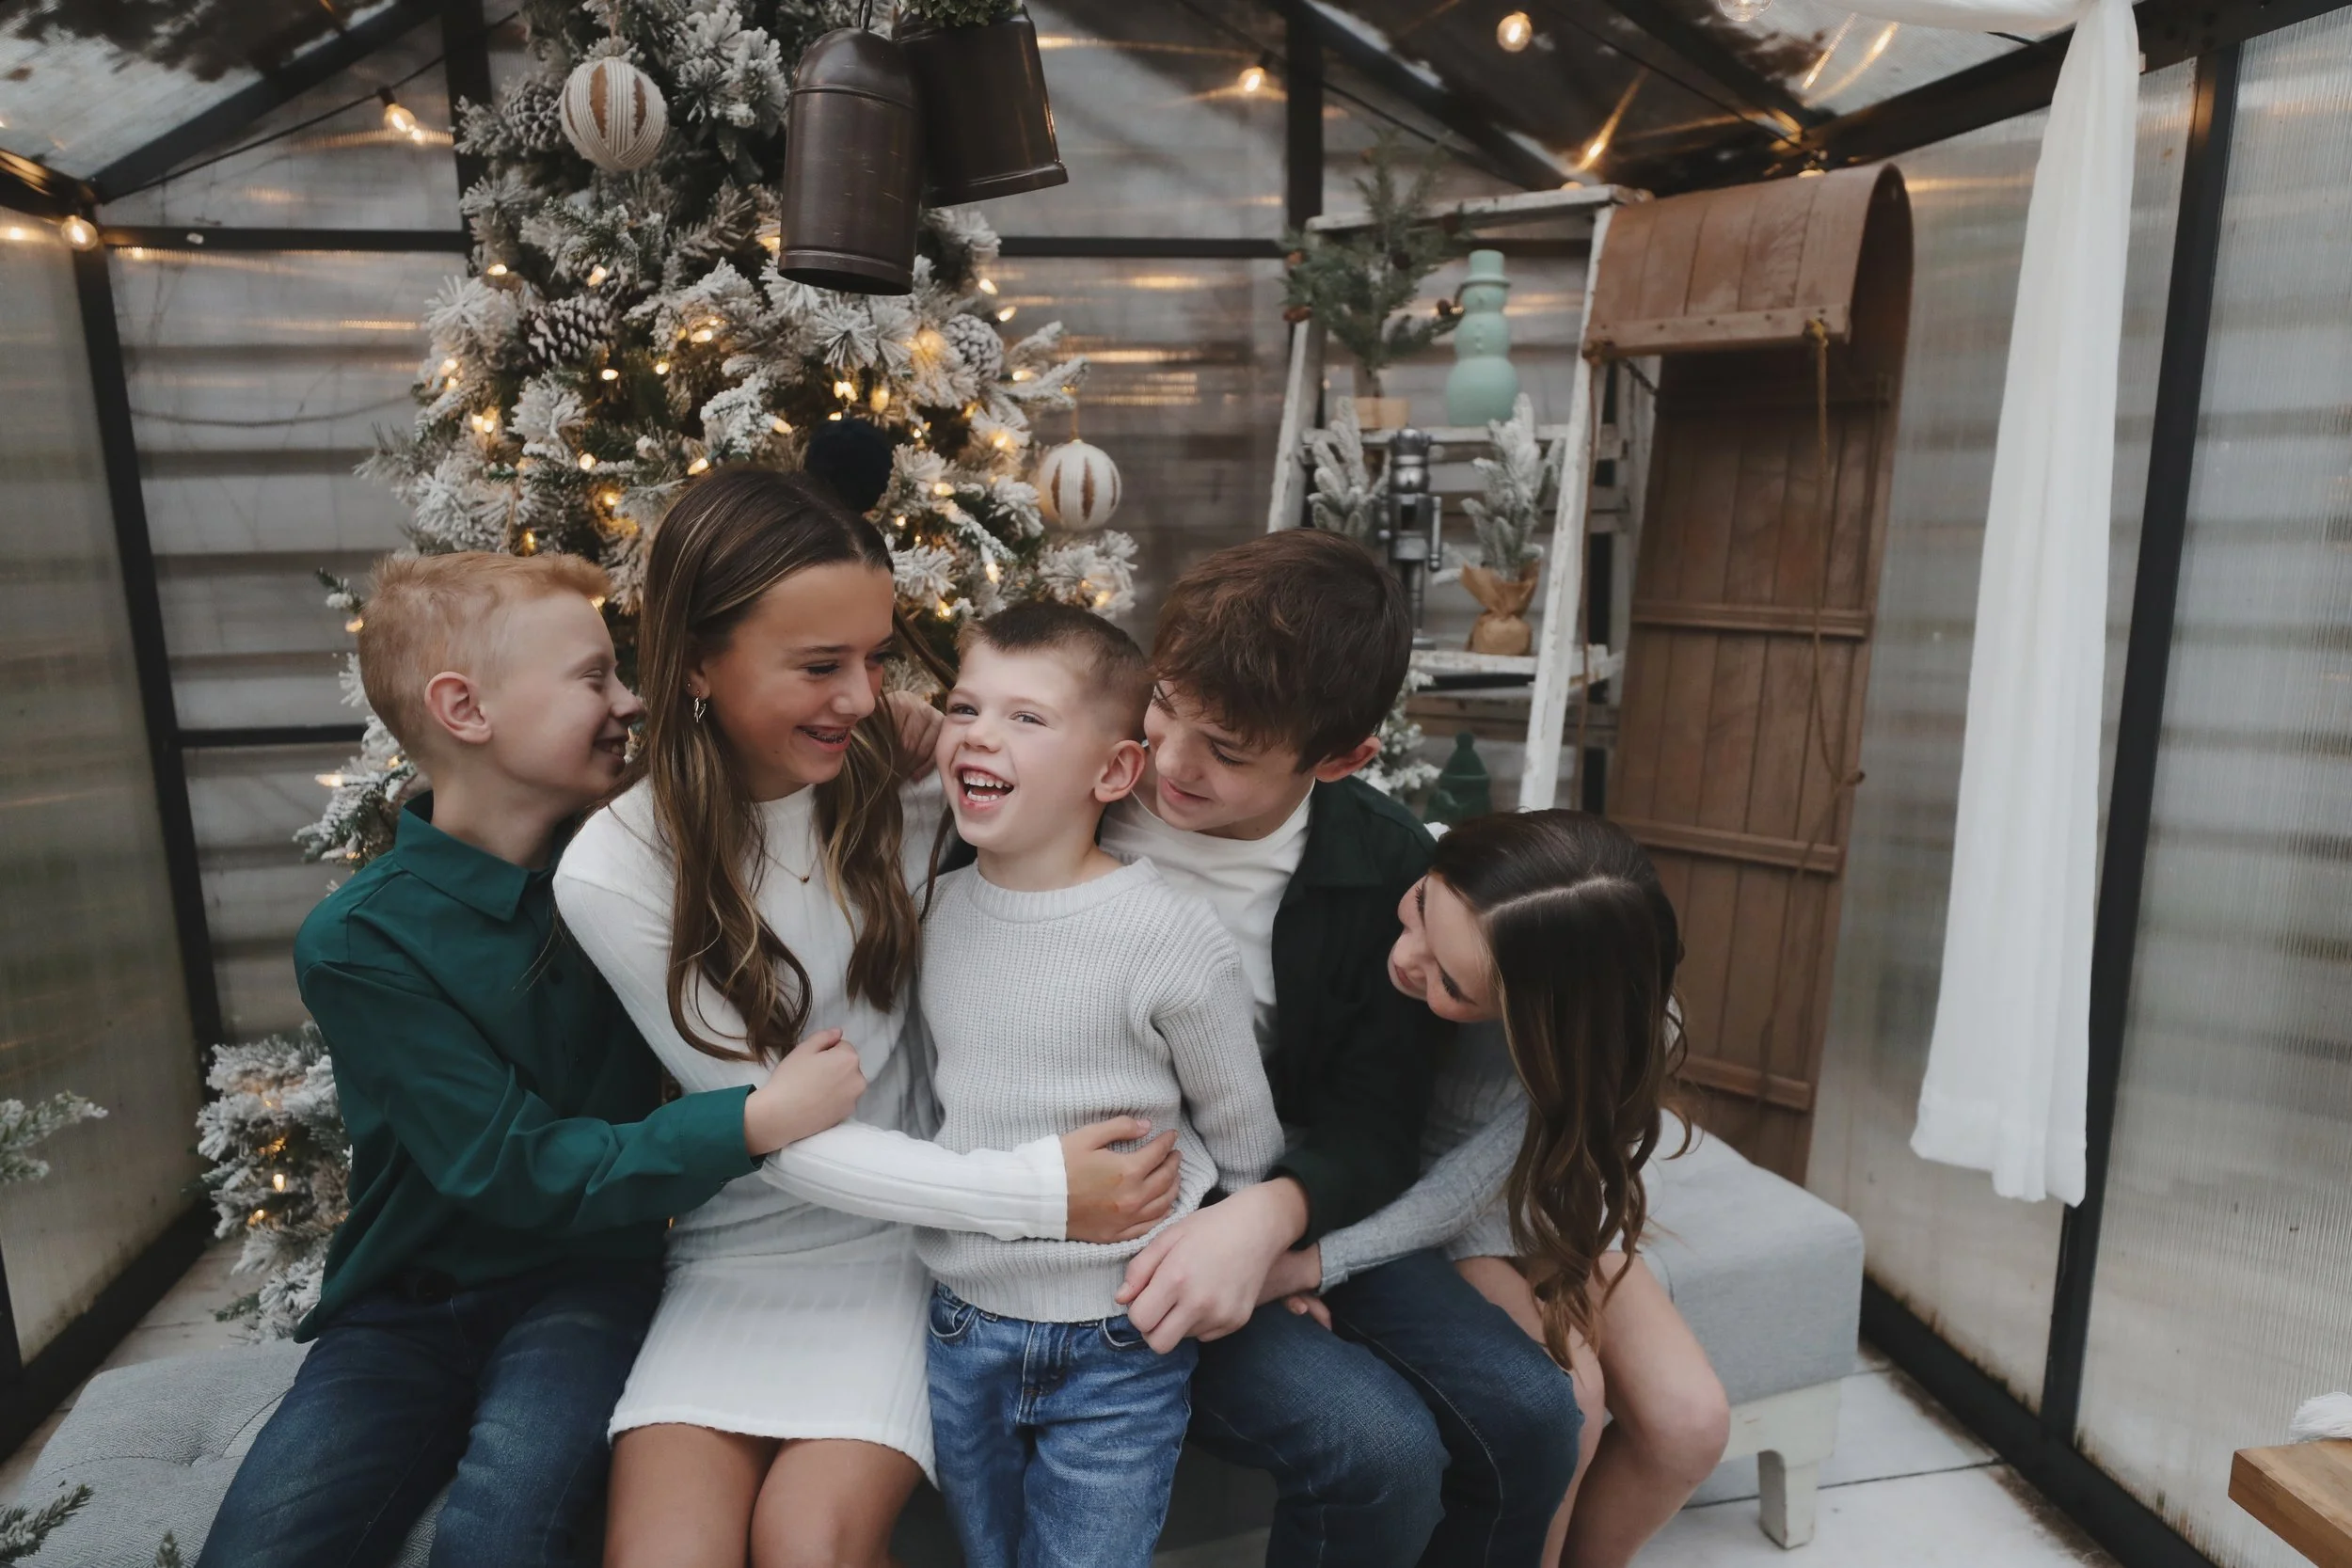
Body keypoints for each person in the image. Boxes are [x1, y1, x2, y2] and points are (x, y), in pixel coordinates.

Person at [551, 468, 1181, 1568]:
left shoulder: (910, 783)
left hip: (907, 1239)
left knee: (810, 1543)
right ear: (695, 661)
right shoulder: (614, 867)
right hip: (738, 1251)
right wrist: (1037, 1191)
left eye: (874, 658)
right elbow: (770, 1133)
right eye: (818, 665)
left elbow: (1118, 819)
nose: (857, 696)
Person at [197, 551, 868, 1568]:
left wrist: (906, 727)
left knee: (504, 1530)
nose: (630, 700)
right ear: (464, 709)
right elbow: (506, 1164)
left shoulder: (639, 866)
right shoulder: (361, 941)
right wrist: (750, 1120)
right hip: (405, 1307)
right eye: (594, 676)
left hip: (584, 1285)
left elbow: (768, 742)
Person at [1102, 529, 1585, 1566]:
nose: (1171, 761)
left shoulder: (1381, 865)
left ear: (1340, 758)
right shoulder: (1079, 782)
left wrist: (1273, 1222)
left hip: (1292, 1193)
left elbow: (1379, 1117)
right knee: (1376, 1446)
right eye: (1166, 704)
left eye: (1228, 751)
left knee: (1535, 1413)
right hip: (1110, 1218)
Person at [919, 602, 1285, 1567]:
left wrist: (1254, 1258)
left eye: (1026, 717)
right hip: (962, 1324)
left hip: (1118, 1339)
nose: (979, 734)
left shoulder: (1167, 934)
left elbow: (1243, 1133)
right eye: (964, 707)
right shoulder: (931, 913)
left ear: (1115, 771)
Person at [1297, 810, 1733, 1568]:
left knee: (1691, 1422)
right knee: (1570, 1402)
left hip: (1526, 1195)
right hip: (1424, 1193)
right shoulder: (1448, 863)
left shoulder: (1612, 1020)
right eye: (1419, 907)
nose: (1406, 957)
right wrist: (1313, 1252)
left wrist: (1311, 1261)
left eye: (1452, 983)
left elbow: (1482, 1181)